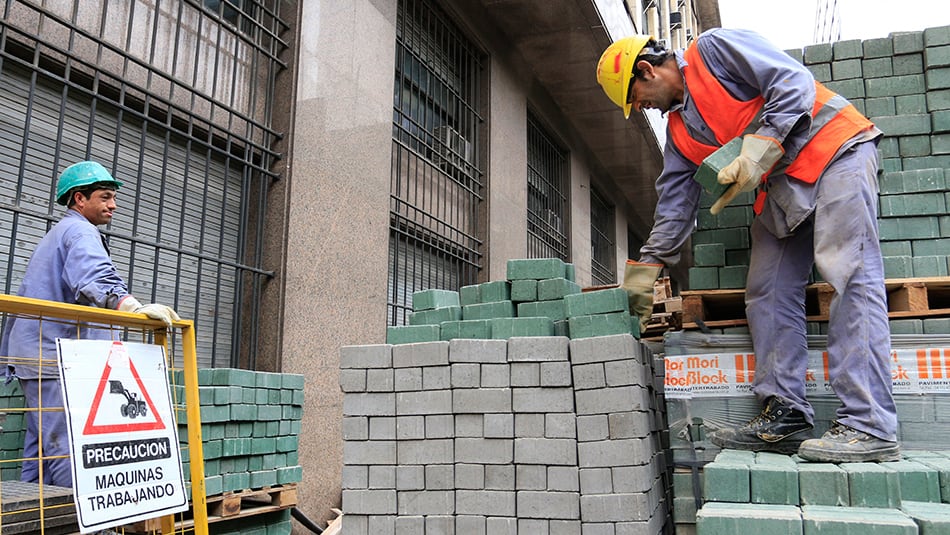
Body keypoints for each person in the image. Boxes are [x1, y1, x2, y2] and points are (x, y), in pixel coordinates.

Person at [598, 28, 899, 463]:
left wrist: (762, 145)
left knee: (849, 273)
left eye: (639, 98)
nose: (643, 109)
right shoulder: (680, 135)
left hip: (836, 151)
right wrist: (646, 272)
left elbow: (791, 82)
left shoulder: (712, 50)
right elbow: (675, 207)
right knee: (767, 291)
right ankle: (786, 414)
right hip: (783, 189)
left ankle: (869, 425)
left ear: (646, 70)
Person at [0, 160, 180, 487]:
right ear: (79, 200)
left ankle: (31, 513)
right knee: (67, 446)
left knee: (43, 445)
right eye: (105, 197)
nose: (114, 204)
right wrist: (133, 307)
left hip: (39, 355)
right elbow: (93, 276)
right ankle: (81, 520)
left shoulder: (60, 233)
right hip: (53, 357)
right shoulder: (80, 231)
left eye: (113, 197)